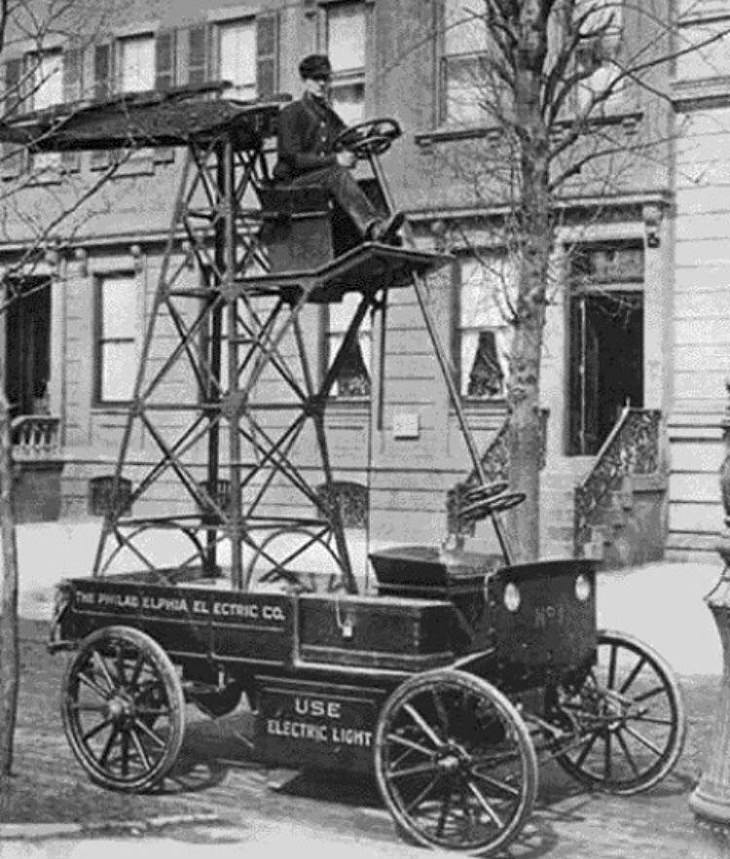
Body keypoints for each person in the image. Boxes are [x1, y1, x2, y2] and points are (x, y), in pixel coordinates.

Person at [273, 54, 404, 244]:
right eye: (315, 79)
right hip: (290, 189)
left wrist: (377, 135)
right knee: (337, 174)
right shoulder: (291, 113)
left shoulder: (328, 115)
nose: (321, 84)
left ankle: (383, 234)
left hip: (316, 184)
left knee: (369, 186)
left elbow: (350, 136)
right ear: (305, 81)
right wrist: (335, 160)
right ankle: (372, 227)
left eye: (325, 79)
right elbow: (292, 158)